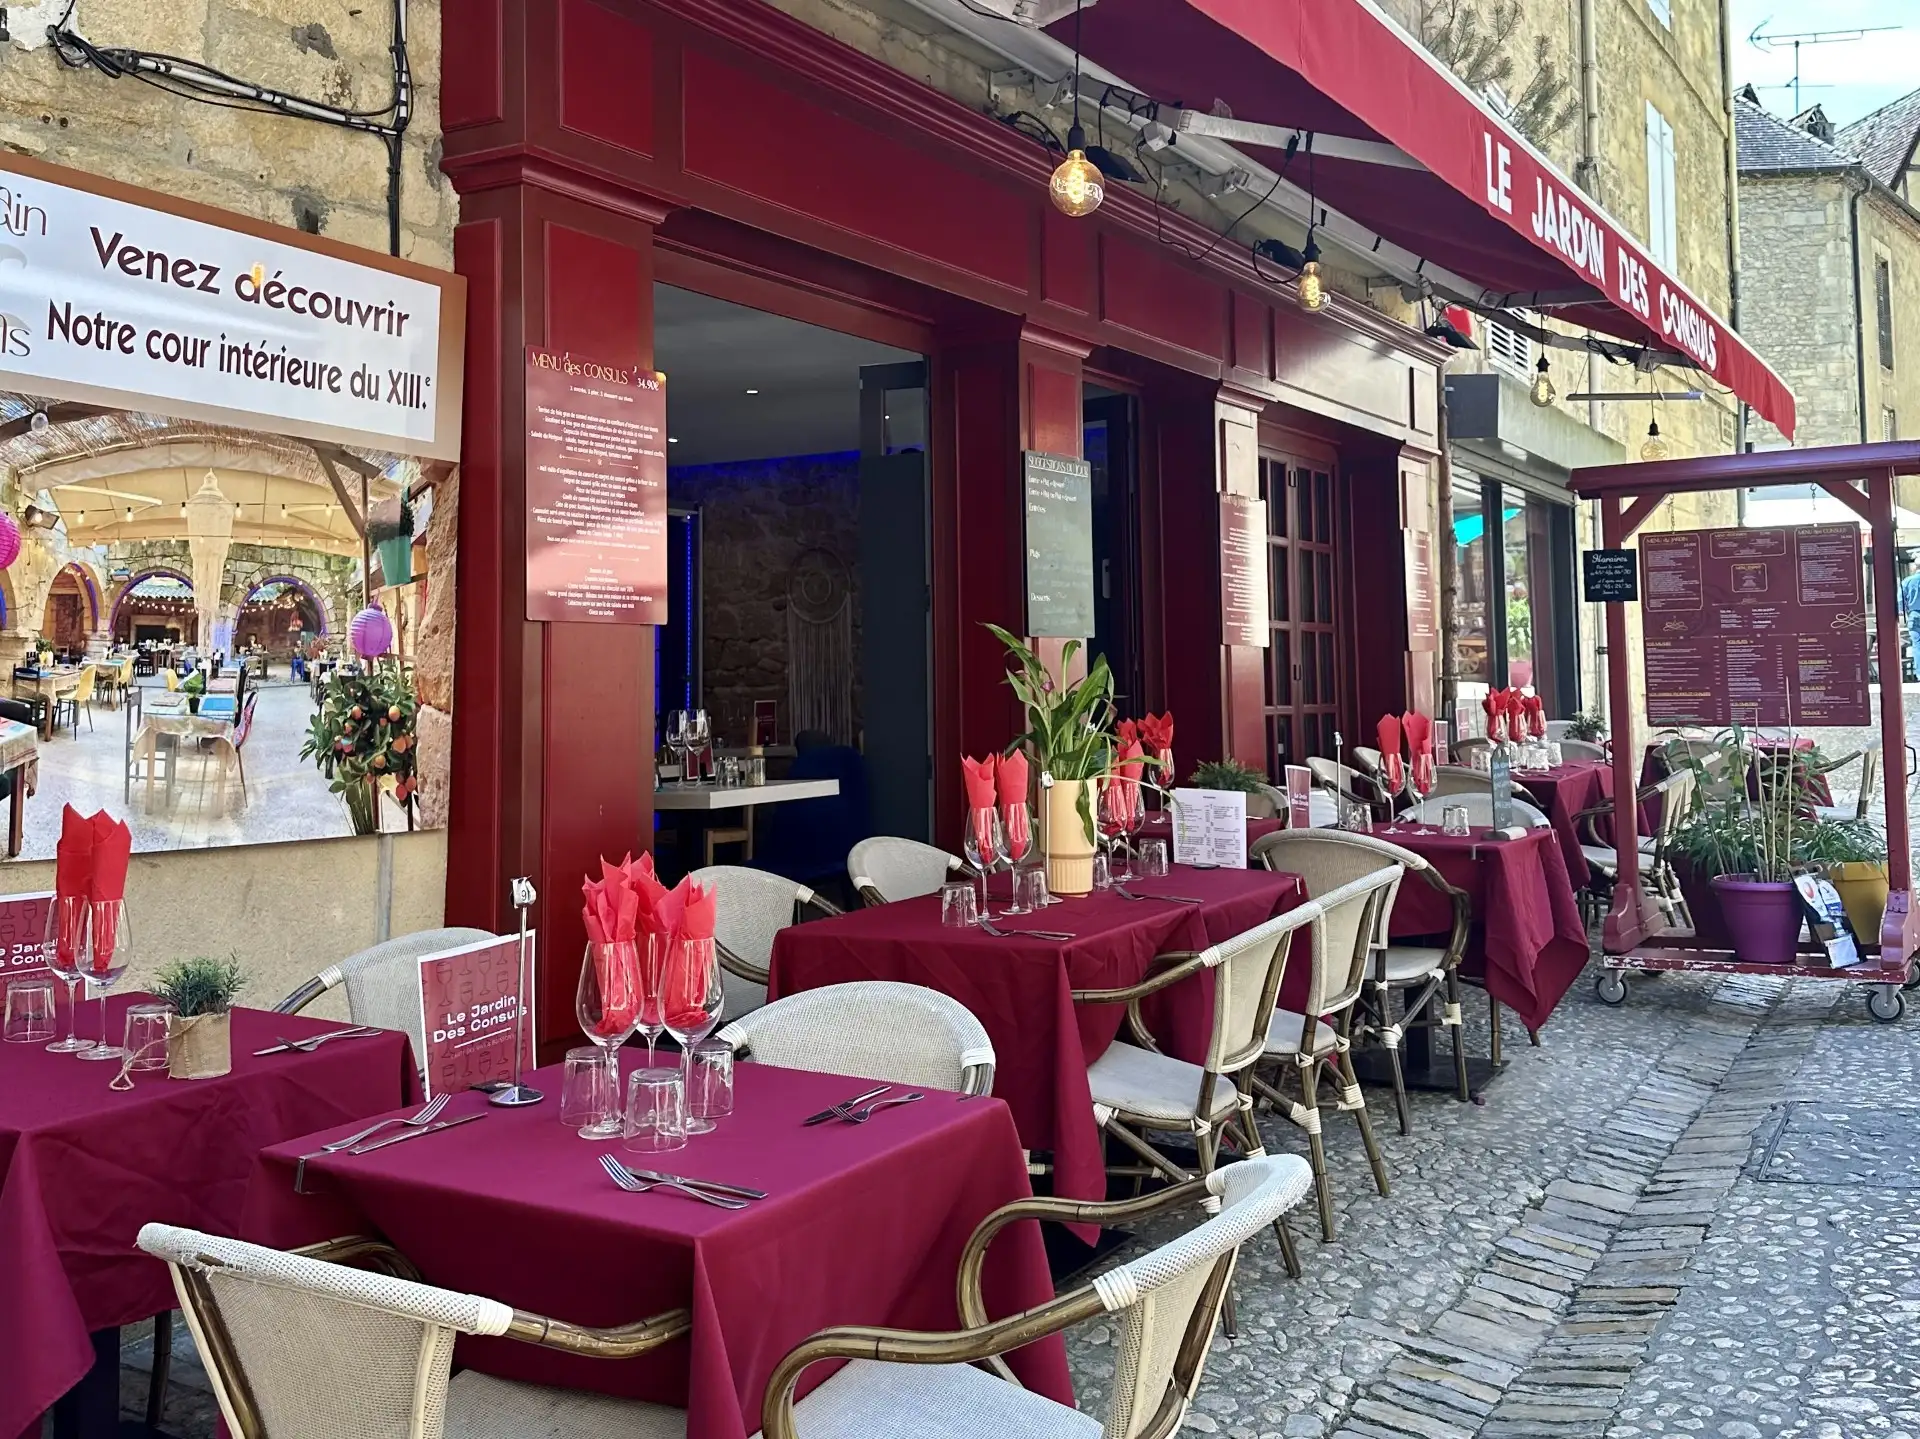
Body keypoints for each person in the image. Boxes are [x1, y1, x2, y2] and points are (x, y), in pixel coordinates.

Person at [1901, 567, 1920, 683]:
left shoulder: (1907, 581)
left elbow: (1900, 602)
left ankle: (1919, 674)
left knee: (1917, 646)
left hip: (1914, 616)